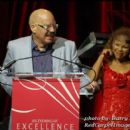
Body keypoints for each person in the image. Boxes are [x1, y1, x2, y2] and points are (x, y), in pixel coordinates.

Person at [0, 8, 99, 130]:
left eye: (54, 26)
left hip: (59, 115)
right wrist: (19, 91)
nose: (52, 30)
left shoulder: (68, 46)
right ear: (33, 27)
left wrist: (88, 84)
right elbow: (4, 74)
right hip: (26, 114)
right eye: (47, 27)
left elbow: (77, 73)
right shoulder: (15, 46)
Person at [88, 26, 130, 130]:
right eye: (117, 45)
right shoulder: (105, 64)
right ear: (111, 44)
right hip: (107, 121)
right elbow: (89, 79)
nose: (119, 49)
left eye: (124, 47)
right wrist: (101, 56)